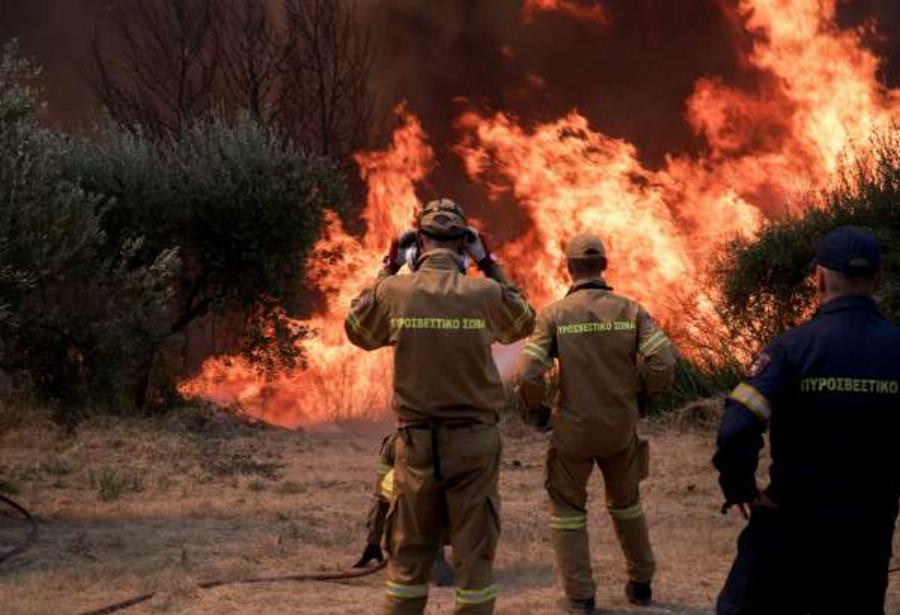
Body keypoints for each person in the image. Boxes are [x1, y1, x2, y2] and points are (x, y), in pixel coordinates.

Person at [345, 198, 535, 614]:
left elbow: (357, 329)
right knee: (474, 559)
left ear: (420, 245)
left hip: (415, 446)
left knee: (409, 557)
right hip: (474, 443)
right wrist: (489, 264)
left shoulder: (395, 291)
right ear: (464, 248)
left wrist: (389, 268)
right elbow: (523, 321)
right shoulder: (484, 292)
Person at [714, 225, 900, 615]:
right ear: (879, 278)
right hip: (868, 529)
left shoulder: (791, 349)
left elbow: (736, 428)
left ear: (819, 277)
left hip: (793, 519)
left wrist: (741, 488)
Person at [515, 233, 676, 614]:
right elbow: (664, 363)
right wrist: (644, 397)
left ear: (569, 268)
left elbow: (527, 375)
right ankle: (641, 585)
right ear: (604, 266)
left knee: (569, 513)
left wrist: (537, 411)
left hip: (573, 431)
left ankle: (581, 596)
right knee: (627, 505)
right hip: (620, 428)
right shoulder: (631, 311)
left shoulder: (555, 315)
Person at [353, 432, 455, 587]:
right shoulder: (451, 437)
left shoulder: (396, 441)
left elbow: (381, 499)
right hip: (448, 524)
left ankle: (434, 556)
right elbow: (382, 496)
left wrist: (373, 541)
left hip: (425, 523)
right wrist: (373, 543)